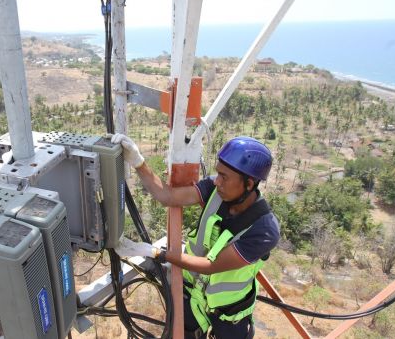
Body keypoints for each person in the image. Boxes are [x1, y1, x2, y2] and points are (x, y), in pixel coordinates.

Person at [112, 134, 280, 339]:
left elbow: (211, 265)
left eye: (225, 177)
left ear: (249, 183)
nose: (217, 181)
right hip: (192, 296)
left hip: (229, 311)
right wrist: (139, 163)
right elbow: (169, 197)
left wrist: (156, 253)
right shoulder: (214, 189)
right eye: (218, 173)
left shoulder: (264, 230)